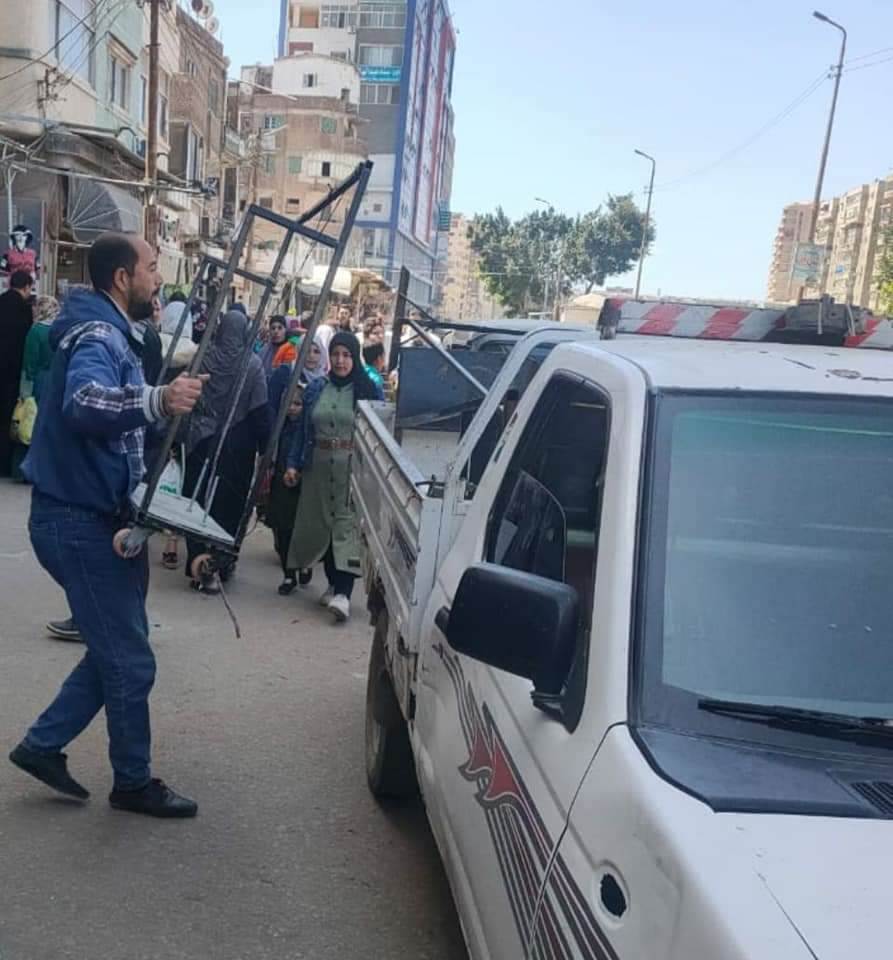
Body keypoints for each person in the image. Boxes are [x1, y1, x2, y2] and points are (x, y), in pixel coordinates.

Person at [10, 232, 206, 818]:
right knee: (130, 659)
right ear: (123, 278)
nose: (158, 278)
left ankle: (42, 746)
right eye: (152, 267)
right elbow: (84, 402)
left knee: (114, 649)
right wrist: (157, 400)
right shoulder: (98, 334)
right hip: (77, 520)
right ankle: (132, 783)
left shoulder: (111, 331)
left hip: (91, 517)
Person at [284, 332, 383, 622]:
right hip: (317, 469)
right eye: (336, 354)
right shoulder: (317, 388)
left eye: (347, 355)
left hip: (351, 471)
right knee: (322, 526)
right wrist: (293, 464)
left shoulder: (367, 391)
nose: (341, 361)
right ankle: (331, 583)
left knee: (345, 527)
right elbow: (303, 431)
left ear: (355, 357)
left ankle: (344, 593)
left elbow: (379, 435)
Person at [182, 309, 271, 592]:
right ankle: (219, 564)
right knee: (228, 507)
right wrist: (266, 450)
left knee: (196, 502)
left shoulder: (202, 358)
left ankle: (197, 562)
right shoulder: (252, 365)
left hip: (199, 442)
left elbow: (187, 399)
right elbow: (260, 412)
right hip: (237, 446)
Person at [267, 388, 305, 595]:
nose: (292, 408)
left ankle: (303, 565)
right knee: (282, 530)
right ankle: (289, 574)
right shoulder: (279, 426)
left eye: (297, 404)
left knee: (300, 530)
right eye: (289, 404)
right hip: (281, 482)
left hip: (302, 483)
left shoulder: (308, 430)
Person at [0, 270, 34, 476]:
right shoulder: (24, 309)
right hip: (13, 371)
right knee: (9, 417)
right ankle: (5, 463)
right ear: (27, 287)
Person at [259, 315, 288, 382]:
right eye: (273, 328)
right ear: (269, 331)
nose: (276, 331)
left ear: (285, 330)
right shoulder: (263, 352)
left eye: (280, 328)